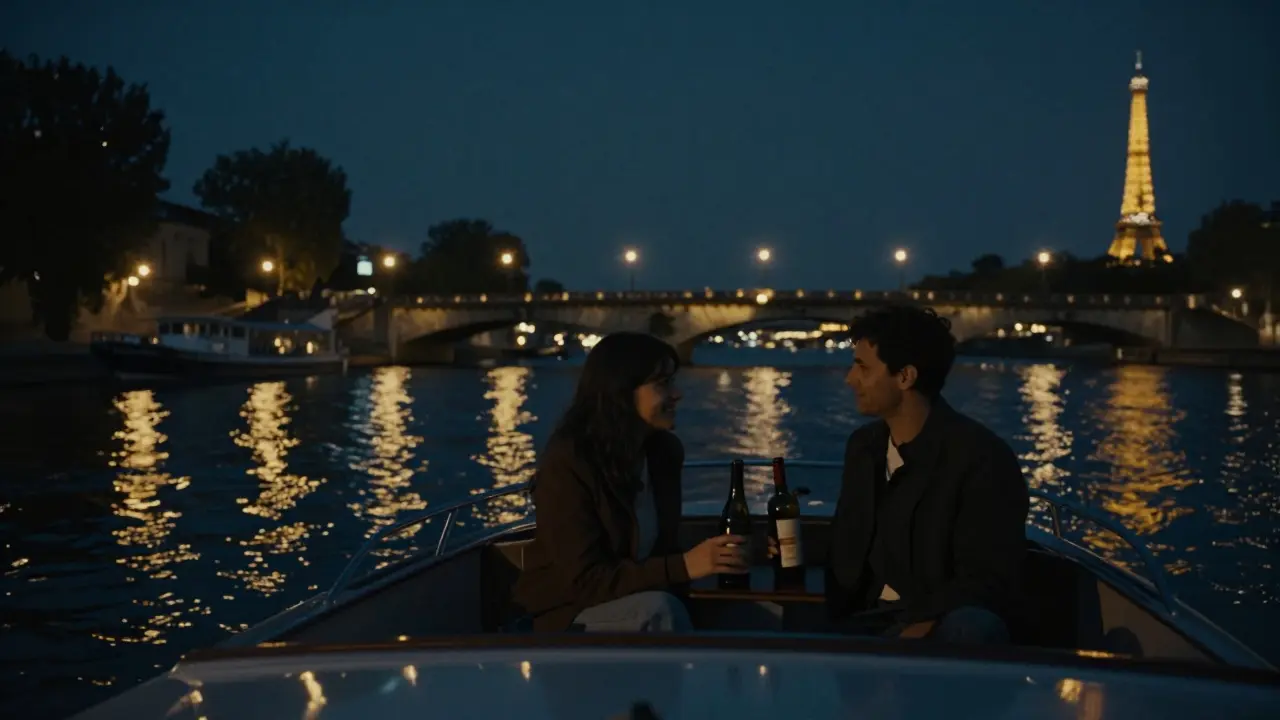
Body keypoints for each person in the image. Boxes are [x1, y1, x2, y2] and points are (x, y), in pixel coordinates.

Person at [801, 305, 1028, 643]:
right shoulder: (864, 447)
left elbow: (989, 578)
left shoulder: (981, 457)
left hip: (933, 623)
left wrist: (921, 625)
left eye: (862, 366)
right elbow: (852, 542)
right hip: (859, 620)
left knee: (972, 627)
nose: (850, 379)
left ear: (905, 377)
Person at [511, 331, 748, 632]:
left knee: (736, 615)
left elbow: (660, 553)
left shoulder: (664, 453)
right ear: (622, 393)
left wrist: (729, 554)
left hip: (634, 600)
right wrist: (685, 565)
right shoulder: (569, 461)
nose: (678, 393)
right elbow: (585, 581)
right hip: (567, 614)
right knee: (660, 611)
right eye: (663, 383)